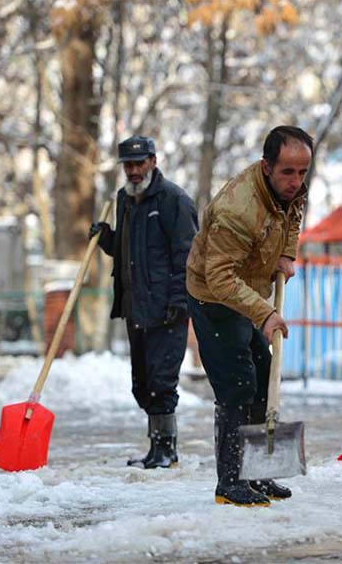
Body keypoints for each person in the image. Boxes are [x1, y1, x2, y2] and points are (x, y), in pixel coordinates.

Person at [186, 126, 312, 507]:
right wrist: (265, 313)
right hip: (213, 297)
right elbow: (220, 278)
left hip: (248, 292)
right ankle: (231, 481)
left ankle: (258, 471)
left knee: (261, 375)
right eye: (288, 172)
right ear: (266, 166)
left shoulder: (289, 189)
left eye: (303, 172)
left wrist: (286, 252)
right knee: (238, 384)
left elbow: (293, 215)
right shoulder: (236, 211)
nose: (296, 181)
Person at [90, 135, 198, 469]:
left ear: (153, 161)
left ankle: (167, 449)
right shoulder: (125, 199)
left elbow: (188, 255)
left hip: (167, 308)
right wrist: (107, 239)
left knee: (163, 382)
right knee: (143, 385)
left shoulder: (173, 200)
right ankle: (155, 449)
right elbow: (129, 253)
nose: (134, 171)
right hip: (136, 306)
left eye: (140, 163)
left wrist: (181, 300)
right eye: (129, 165)